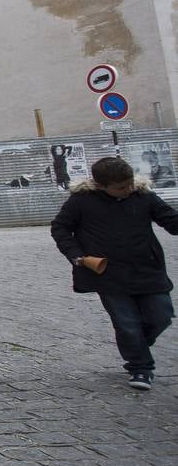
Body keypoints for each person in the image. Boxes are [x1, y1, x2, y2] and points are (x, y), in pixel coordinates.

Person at [50, 156, 178, 390]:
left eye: (129, 183)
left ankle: (137, 343)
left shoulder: (143, 196)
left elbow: (171, 221)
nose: (127, 189)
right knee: (126, 322)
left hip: (147, 268)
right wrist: (76, 255)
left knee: (161, 315)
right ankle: (140, 368)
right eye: (120, 187)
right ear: (101, 185)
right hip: (107, 272)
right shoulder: (81, 201)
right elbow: (60, 227)